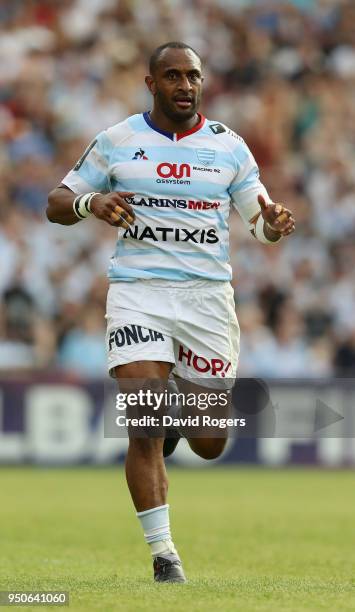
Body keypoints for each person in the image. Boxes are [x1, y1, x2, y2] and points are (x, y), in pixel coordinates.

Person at [47, 41, 295, 583]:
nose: (186, 85)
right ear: (151, 83)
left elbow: (259, 220)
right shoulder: (117, 140)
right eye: (174, 76)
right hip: (139, 290)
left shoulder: (229, 146)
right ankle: (165, 556)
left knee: (209, 443)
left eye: (194, 76)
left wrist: (272, 223)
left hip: (206, 298)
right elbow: (56, 203)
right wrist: (93, 203)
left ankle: (175, 426)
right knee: (144, 423)